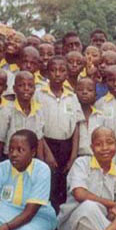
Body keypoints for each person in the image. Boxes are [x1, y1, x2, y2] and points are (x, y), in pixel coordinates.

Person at [37, 56, 83, 212]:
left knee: (63, 190)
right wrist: (46, 153)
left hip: (66, 147)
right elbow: (37, 126)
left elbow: (76, 127)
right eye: (53, 70)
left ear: (67, 74)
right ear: (47, 72)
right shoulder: (39, 94)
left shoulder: (72, 96)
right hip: (46, 144)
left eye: (62, 70)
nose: (57, 74)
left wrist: (73, 156)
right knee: (48, 188)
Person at [0, 71, 44, 168]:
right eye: (21, 85)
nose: (26, 88)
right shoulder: (6, 110)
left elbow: (39, 139)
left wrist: (42, 164)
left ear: (34, 89)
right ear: (14, 89)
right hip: (10, 158)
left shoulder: (38, 111)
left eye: (30, 86)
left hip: (30, 160)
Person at [76, 77, 108, 158]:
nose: (84, 92)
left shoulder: (101, 116)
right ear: (75, 93)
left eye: (89, 90)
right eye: (80, 90)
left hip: (96, 157)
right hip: (75, 157)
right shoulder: (73, 114)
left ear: (95, 95)